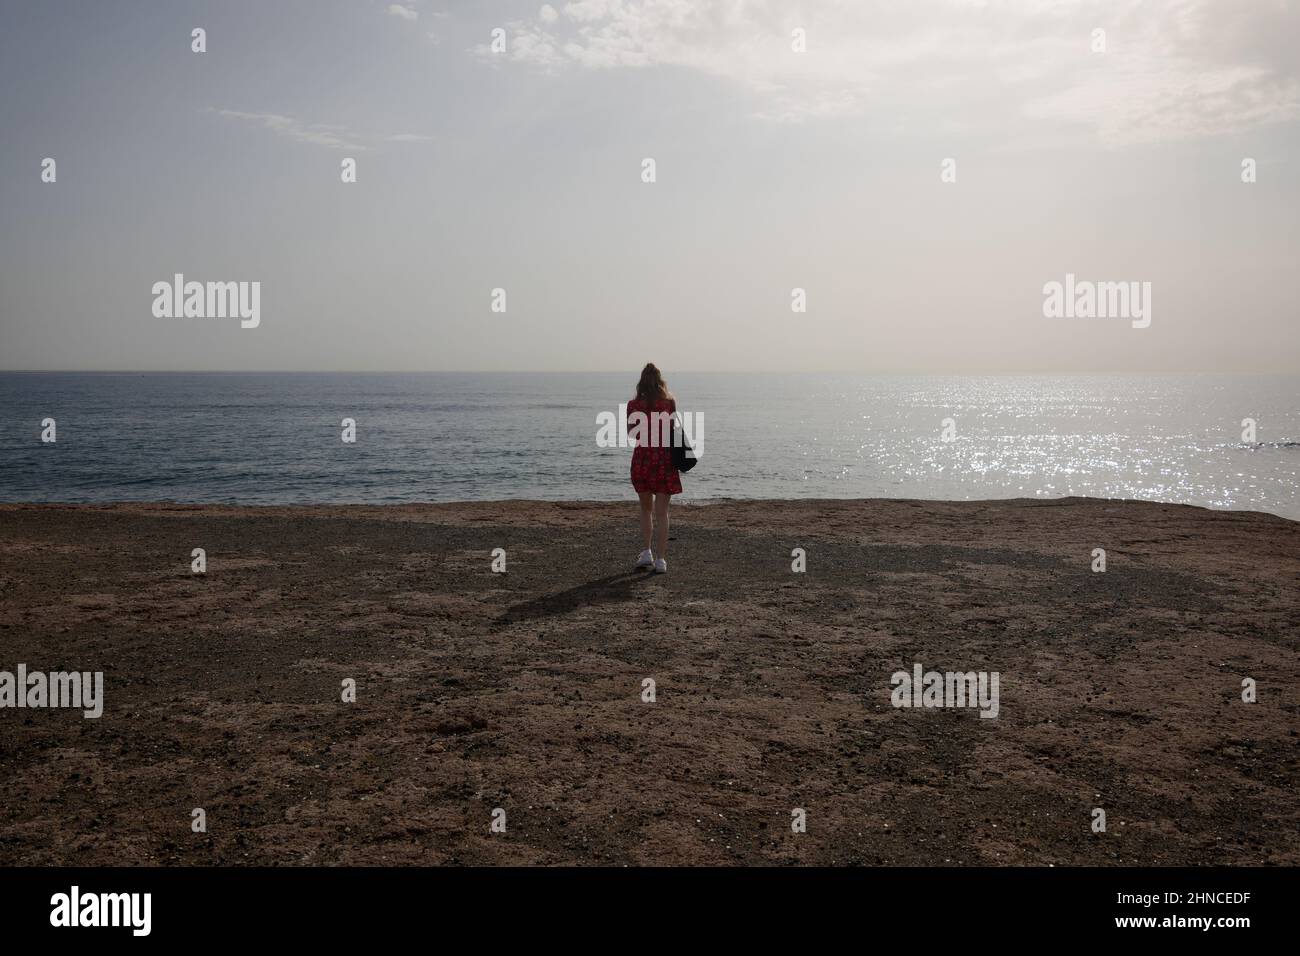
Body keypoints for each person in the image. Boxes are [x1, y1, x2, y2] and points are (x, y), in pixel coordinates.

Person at [627, 363, 680, 574]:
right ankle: (661, 560)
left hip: (643, 460)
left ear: (641, 381)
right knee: (662, 512)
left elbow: (631, 435)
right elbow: (673, 430)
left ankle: (647, 551)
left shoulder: (633, 405)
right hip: (665, 460)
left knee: (645, 509)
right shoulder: (669, 403)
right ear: (660, 381)